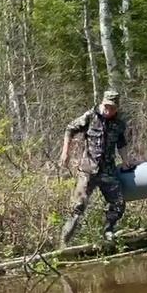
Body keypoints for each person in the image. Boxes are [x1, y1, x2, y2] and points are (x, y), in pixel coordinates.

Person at [59, 90, 135, 247]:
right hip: (88, 170)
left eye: (112, 108)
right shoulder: (90, 116)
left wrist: (127, 160)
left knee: (118, 203)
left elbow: (121, 144)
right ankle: (63, 243)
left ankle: (108, 232)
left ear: (117, 108)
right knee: (77, 207)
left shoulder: (119, 124)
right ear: (102, 103)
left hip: (108, 171)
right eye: (107, 106)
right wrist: (65, 152)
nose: (109, 110)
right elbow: (69, 129)